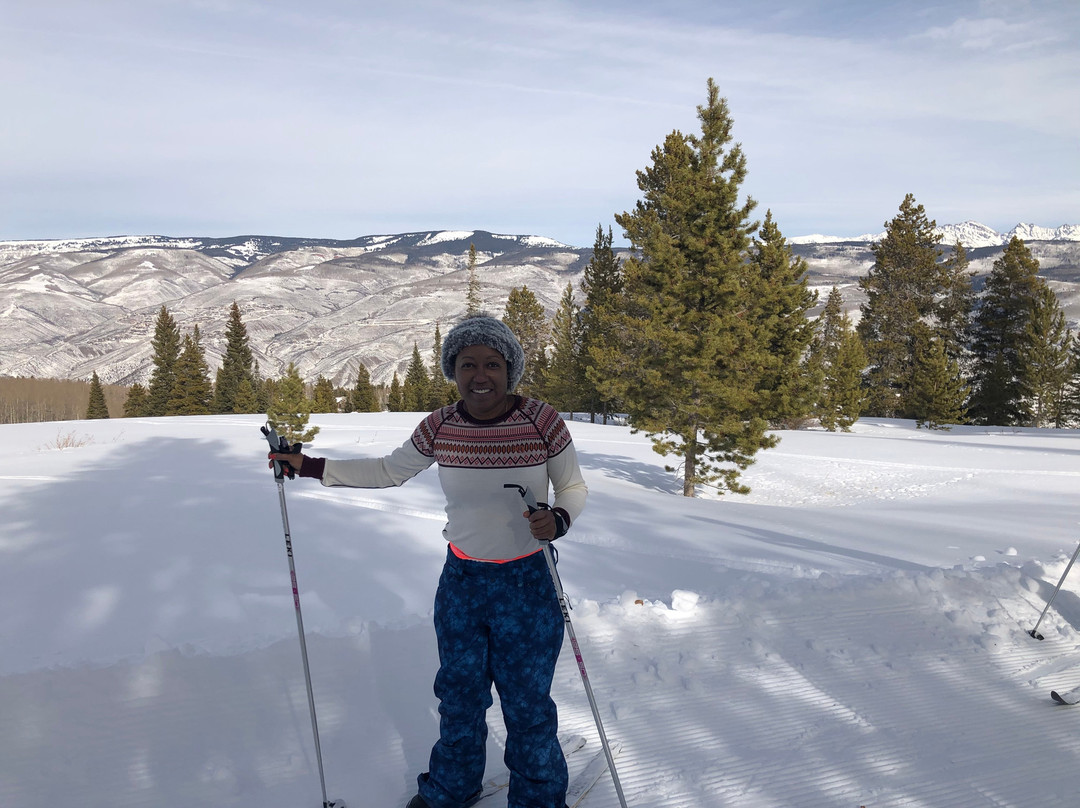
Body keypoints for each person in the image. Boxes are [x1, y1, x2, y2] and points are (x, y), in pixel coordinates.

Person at [268, 314, 588, 808]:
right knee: (460, 697)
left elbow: (572, 486)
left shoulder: (541, 420)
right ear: (452, 370)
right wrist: (308, 466)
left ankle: (541, 799)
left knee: (527, 706)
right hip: (462, 580)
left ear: (510, 369)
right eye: (467, 364)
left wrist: (559, 517)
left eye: (492, 364)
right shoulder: (440, 425)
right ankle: (451, 789)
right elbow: (387, 470)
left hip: (529, 582)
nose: (480, 375)